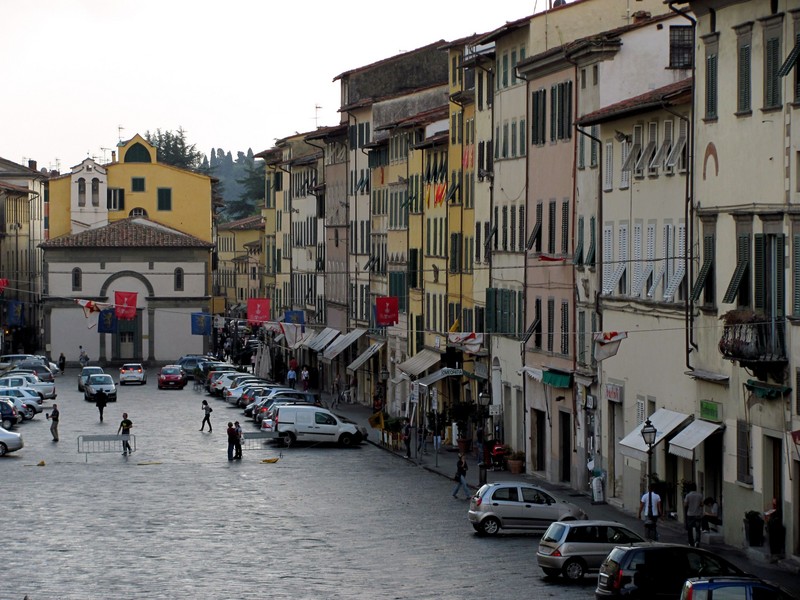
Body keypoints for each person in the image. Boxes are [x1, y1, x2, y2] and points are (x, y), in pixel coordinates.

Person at [684, 482, 704, 547]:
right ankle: (697, 541)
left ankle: (691, 542)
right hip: (697, 514)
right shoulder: (700, 495)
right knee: (697, 529)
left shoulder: (688, 495)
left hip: (690, 514)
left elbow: (685, 505)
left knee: (690, 529)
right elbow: (702, 504)